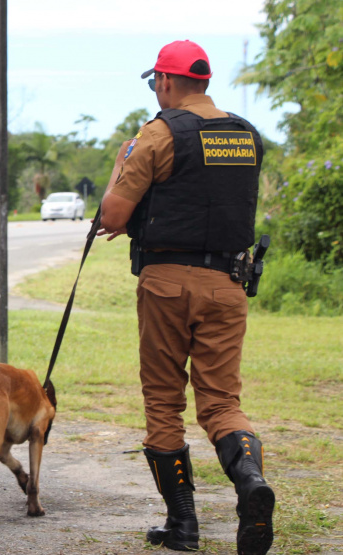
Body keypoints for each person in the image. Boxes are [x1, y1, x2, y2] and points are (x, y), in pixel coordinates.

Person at [97, 40, 275, 555]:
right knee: (221, 402)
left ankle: (183, 525)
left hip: (167, 285)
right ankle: (250, 481)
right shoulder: (246, 135)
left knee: (164, 400)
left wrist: (122, 161)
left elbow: (113, 216)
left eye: (156, 82)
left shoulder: (156, 134)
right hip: (228, 285)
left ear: (166, 81)